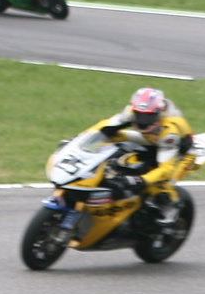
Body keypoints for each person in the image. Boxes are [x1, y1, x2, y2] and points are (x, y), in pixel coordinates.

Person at [85, 87, 198, 230]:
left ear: (159, 113)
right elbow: (105, 126)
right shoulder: (130, 112)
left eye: (148, 117)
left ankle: (171, 208)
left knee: (161, 184)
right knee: (113, 137)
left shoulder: (170, 130)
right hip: (152, 139)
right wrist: (82, 141)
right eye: (139, 115)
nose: (143, 121)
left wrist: (142, 180)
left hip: (180, 151)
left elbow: (166, 168)